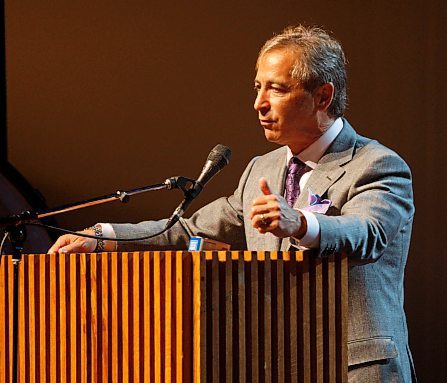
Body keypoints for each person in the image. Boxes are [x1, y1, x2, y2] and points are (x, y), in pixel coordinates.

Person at [49, 25, 416, 382]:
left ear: (323, 96)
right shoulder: (264, 168)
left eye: (276, 89)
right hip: (278, 364)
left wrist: (302, 224)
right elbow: (190, 232)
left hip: (351, 367)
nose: (259, 103)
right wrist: (104, 236)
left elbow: (368, 232)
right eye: (258, 87)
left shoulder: (376, 164)